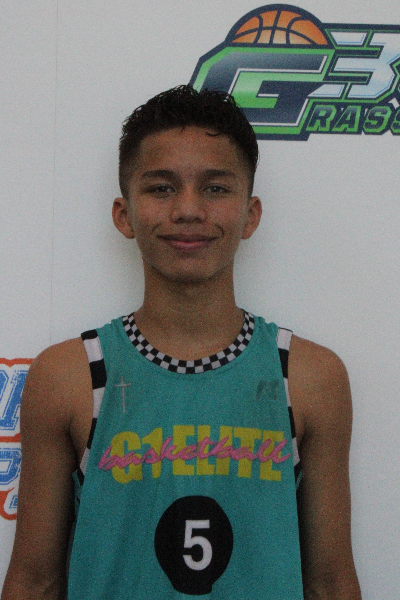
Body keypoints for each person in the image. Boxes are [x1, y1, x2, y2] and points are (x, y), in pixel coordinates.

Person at [1, 85, 361, 600]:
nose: (188, 209)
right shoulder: (70, 375)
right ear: (124, 214)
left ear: (250, 214)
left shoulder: (307, 376)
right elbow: (35, 582)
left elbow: (330, 583)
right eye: (161, 188)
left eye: (215, 188)